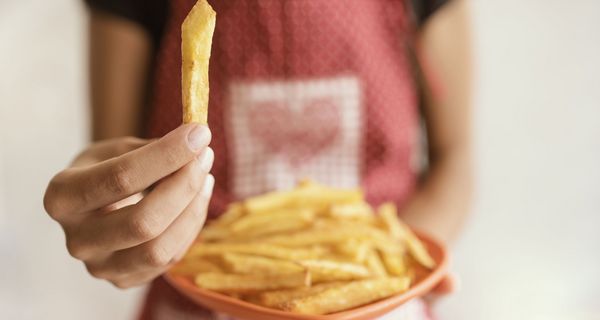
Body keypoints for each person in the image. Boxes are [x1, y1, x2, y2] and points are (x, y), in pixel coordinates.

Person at [43, 0, 472, 319]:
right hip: (196, 301)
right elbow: (118, 166)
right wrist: (112, 217)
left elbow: (454, 157)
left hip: (378, 303)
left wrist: (398, 274)